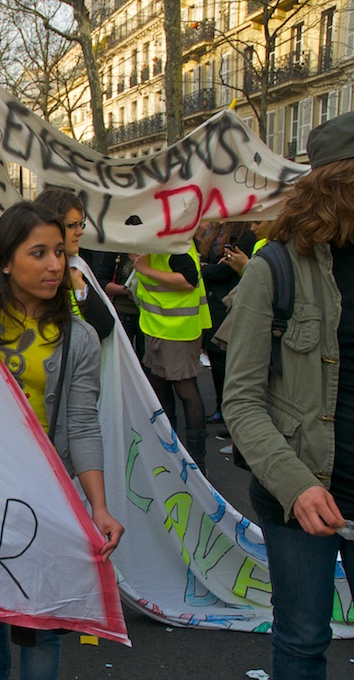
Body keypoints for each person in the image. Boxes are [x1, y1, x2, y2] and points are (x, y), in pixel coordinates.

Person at [0, 201, 123, 680]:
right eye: (39, 253)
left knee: (41, 625)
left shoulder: (81, 338)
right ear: (6, 259)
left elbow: (82, 422)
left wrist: (97, 506)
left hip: (45, 499)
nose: (56, 264)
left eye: (59, 251)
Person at [222, 111, 354, 680]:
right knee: (302, 640)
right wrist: (297, 487)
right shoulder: (273, 270)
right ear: (340, 184)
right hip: (300, 495)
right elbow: (243, 403)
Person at [132, 239, 212, 473]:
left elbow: (189, 280)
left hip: (177, 330)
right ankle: (171, 455)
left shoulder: (175, 243)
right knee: (161, 387)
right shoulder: (158, 243)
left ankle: (198, 463)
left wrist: (145, 269)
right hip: (157, 327)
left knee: (185, 390)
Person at [34, 188, 115, 340]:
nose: (80, 232)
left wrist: (78, 284)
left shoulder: (76, 266)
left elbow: (105, 326)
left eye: (80, 224)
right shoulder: (31, 272)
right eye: (72, 225)